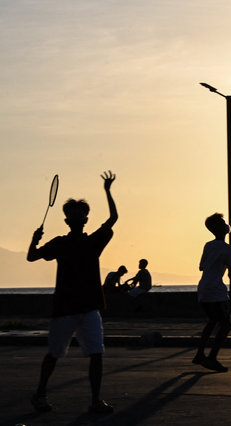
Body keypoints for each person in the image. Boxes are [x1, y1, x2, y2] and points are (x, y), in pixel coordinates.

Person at [26, 171, 118, 414]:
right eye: (73, 215)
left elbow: (113, 218)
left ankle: (96, 401)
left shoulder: (93, 242)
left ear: (86, 219)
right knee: (54, 354)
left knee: (96, 354)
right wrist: (34, 241)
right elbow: (31, 256)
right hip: (65, 309)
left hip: (88, 308)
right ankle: (40, 394)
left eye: (81, 215)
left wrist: (107, 191)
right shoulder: (59, 243)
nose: (78, 218)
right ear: (67, 220)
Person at [192, 213, 231, 372]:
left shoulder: (208, 245)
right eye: (222, 223)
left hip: (203, 288)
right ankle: (212, 358)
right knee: (226, 323)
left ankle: (200, 354)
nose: (225, 225)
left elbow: (201, 267)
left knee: (212, 320)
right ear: (218, 228)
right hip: (216, 289)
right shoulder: (228, 249)